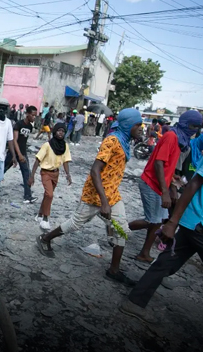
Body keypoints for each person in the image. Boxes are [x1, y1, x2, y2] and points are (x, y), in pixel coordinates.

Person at [120, 137, 203, 352]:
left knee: (166, 262)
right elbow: (195, 183)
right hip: (199, 222)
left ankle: (134, 302)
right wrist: (172, 222)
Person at [36, 108, 143, 286]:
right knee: (76, 222)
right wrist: (103, 202)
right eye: (137, 124)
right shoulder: (112, 141)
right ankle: (45, 238)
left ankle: (113, 270)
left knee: (121, 229)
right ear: (127, 124)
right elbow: (95, 170)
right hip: (96, 194)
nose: (141, 128)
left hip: (113, 194)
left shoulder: (124, 142)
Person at [128, 110, 203, 263]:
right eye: (192, 125)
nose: (194, 130)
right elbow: (158, 163)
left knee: (159, 220)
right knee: (152, 220)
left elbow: (167, 165)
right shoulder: (171, 137)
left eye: (197, 127)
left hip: (159, 184)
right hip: (151, 182)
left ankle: (145, 252)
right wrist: (165, 192)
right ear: (184, 123)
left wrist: (173, 179)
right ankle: (119, 228)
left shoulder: (181, 141)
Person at [29, 122, 72, 230]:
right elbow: (37, 160)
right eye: (59, 131)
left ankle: (39, 214)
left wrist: (68, 175)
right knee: (50, 195)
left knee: (47, 195)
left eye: (63, 131)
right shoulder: (47, 145)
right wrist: (32, 175)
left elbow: (65, 161)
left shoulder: (64, 146)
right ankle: (45, 218)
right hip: (46, 172)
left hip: (55, 173)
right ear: (54, 132)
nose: (61, 133)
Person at [4, 105, 38, 204]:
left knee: (26, 173)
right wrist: (19, 155)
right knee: (2, 171)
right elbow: (15, 141)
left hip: (23, 153)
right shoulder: (18, 124)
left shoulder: (30, 127)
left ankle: (27, 196)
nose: (34, 117)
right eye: (32, 115)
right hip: (13, 153)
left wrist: (23, 154)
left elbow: (24, 141)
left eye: (35, 115)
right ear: (27, 114)